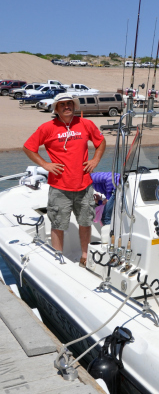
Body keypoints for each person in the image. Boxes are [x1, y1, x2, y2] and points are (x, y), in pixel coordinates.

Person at [23, 93, 106, 267]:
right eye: (62, 104)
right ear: (56, 108)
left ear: (74, 106)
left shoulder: (86, 124)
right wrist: (45, 165)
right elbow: (29, 148)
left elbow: (101, 142)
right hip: (60, 187)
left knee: (85, 222)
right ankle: (57, 258)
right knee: (58, 224)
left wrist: (95, 160)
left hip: (84, 185)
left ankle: (84, 256)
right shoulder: (47, 127)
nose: (67, 106)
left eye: (70, 103)